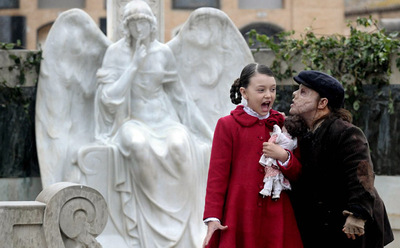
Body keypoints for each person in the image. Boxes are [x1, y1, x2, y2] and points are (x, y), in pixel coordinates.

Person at [93, 1, 212, 247]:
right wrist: (134, 64)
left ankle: (179, 224)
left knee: (180, 146)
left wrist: (207, 132)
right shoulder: (116, 53)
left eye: (144, 22)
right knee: (137, 146)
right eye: (134, 22)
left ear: (151, 24)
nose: (140, 27)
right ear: (127, 26)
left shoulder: (163, 53)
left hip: (164, 121)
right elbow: (109, 98)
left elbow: (181, 98)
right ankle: (151, 224)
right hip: (131, 121)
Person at [288, 70, 394, 248]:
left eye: (303, 91)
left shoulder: (345, 132)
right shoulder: (304, 133)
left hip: (351, 227)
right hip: (325, 224)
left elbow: (362, 172)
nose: (294, 94)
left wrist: (358, 213)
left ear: (322, 103)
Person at [202, 63, 303, 248]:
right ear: (244, 92)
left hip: (277, 213)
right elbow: (217, 177)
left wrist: (283, 156)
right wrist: (212, 217)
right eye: (261, 90)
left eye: (273, 89)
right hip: (239, 212)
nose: (268, 95)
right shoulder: (228, 125)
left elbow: (298, 173)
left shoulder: (285, 124)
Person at [259, 115, 307, 199]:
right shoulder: (294, 141)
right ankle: (276, 193)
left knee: (270, 177)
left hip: (273, 160)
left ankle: (267, 190)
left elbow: (274, 138)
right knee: (278, 179)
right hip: (279, 164)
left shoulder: (281, 136)